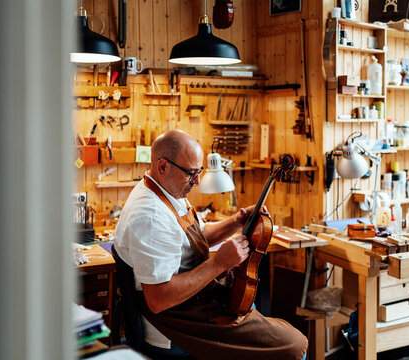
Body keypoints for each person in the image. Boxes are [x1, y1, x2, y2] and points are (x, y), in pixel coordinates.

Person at [114, 130, 307, 360]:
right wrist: (218, 263)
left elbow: (197, 235)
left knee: (257, 314)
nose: (196, 181)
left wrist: (235, 221)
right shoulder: (151, 216)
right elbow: (159, 299)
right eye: (191, 173)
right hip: (176, 320)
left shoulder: (164, 190)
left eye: (199, 172)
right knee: (295, 345)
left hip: (193, 301)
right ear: (163, 166)